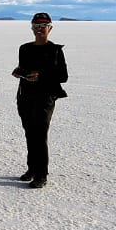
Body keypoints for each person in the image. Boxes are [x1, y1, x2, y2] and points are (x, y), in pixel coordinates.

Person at [11, 12, 68, 189]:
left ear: (49, 28)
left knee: (40, 135)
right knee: (29, 133)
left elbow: (63, 76)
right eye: (36, 26)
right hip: (25, 97)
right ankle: (32, 169)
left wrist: (41, 76)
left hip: (45, 98)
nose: (39, 30)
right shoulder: (25, 48)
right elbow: (21, 68)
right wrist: (19, 73)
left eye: (43, 27)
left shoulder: (55, 51)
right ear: (32, 28)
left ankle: (41, 174)